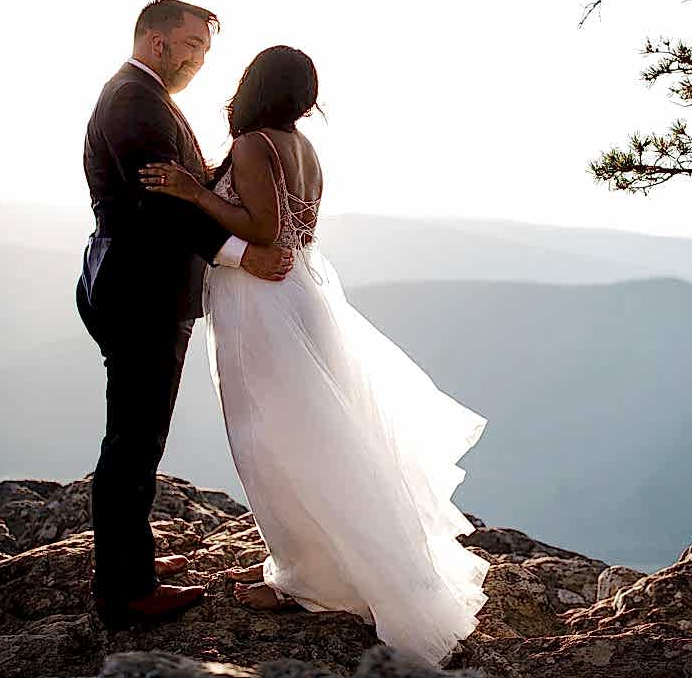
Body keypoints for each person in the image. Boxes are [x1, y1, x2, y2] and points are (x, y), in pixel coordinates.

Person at [139, 45, 490, 666]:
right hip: (296, 294)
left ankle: (304, 581)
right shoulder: (303, 148)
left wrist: (194, 192)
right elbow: (298, 233)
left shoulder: (253, 145)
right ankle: (328, 567)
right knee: (314, 437)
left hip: (260, 306)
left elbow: (266, 229)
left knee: (268, 444)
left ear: (253, 85)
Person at [77, 0, 293, 626]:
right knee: (134, 439)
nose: (200, 57)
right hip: (138, 288)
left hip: (132, 283)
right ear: (155, 41)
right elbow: (157, 202)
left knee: (139, 432)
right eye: (191, 43)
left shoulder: (143, 96)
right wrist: (237, 254)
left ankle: (132, 556)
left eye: (206, 47)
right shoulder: (133, 101)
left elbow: (186, 182)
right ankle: (125, 589)